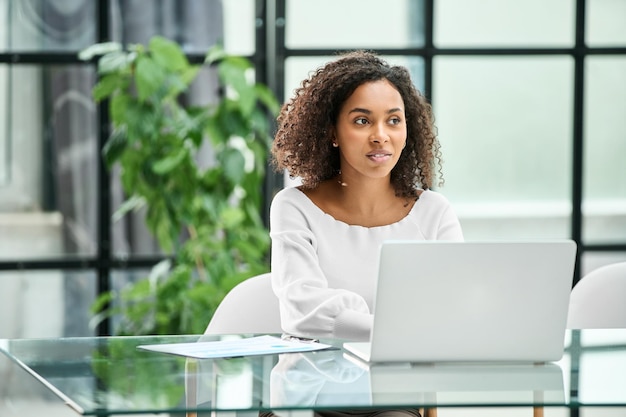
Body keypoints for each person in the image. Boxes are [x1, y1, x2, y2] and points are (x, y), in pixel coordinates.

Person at [269, 50, 464, 345]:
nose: (380, 135)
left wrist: (360, 324)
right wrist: (398, 329)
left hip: (411, 382)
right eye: (362, 121)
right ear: (332, 131)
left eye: (394, 120)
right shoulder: (295, 207)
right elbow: (304, 312)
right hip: (320, 384)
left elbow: (456, 306)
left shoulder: (434, 212)